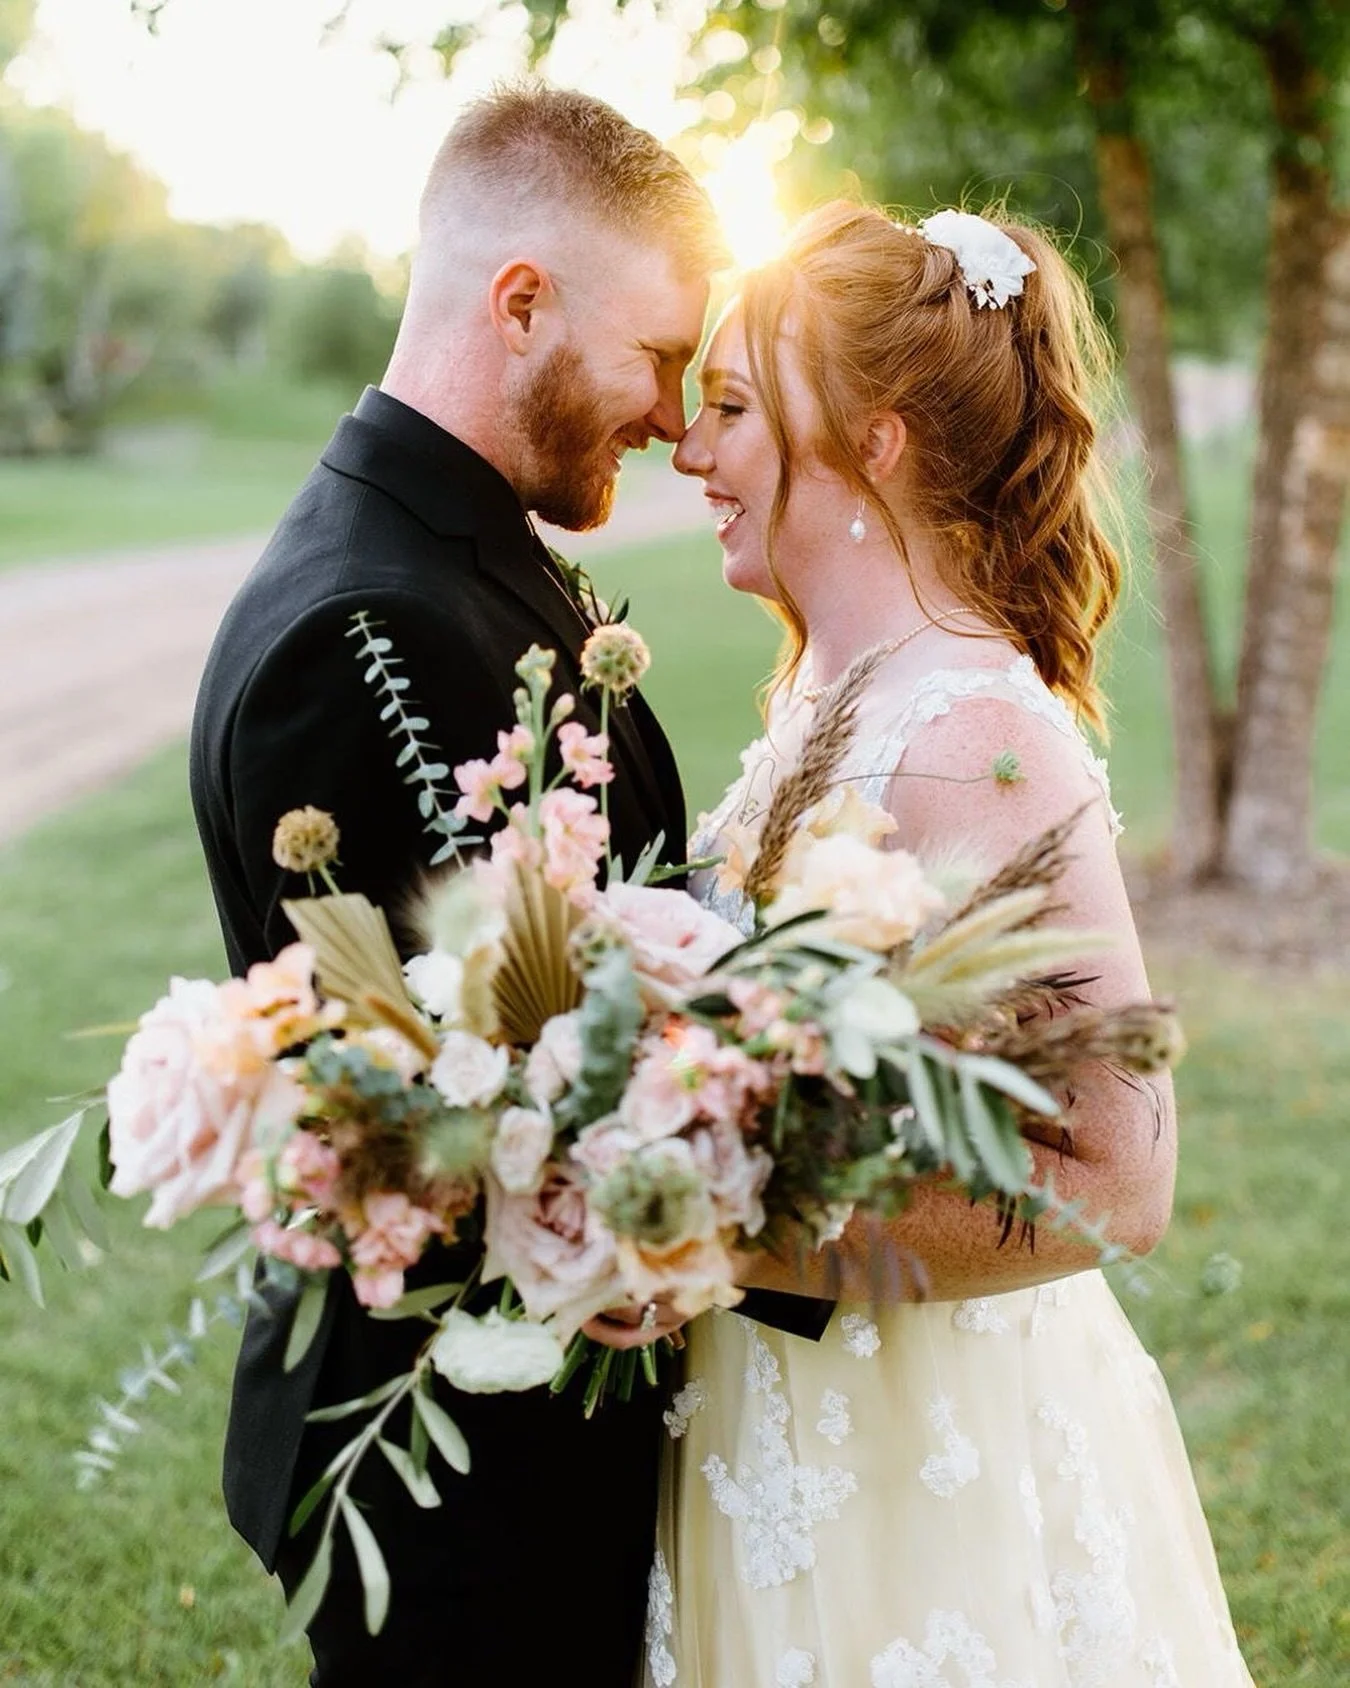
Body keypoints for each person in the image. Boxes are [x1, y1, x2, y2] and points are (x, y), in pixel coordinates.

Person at [190, 84, 827, 1687]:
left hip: (536, 1411)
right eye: (660, 357)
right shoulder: (368, 632)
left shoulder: (463, 550)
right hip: (466, 1457)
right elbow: (451, 1113)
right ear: (521, 302)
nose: (676, 417)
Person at [649, 202, 1254, 1685]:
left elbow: (1116, 1177)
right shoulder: (820, 695)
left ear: (877, 442)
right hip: (769, 1411)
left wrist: (713, 1215)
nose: (688, 454)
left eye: (728, 410)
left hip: (920, 1454)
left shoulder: (971, 738)